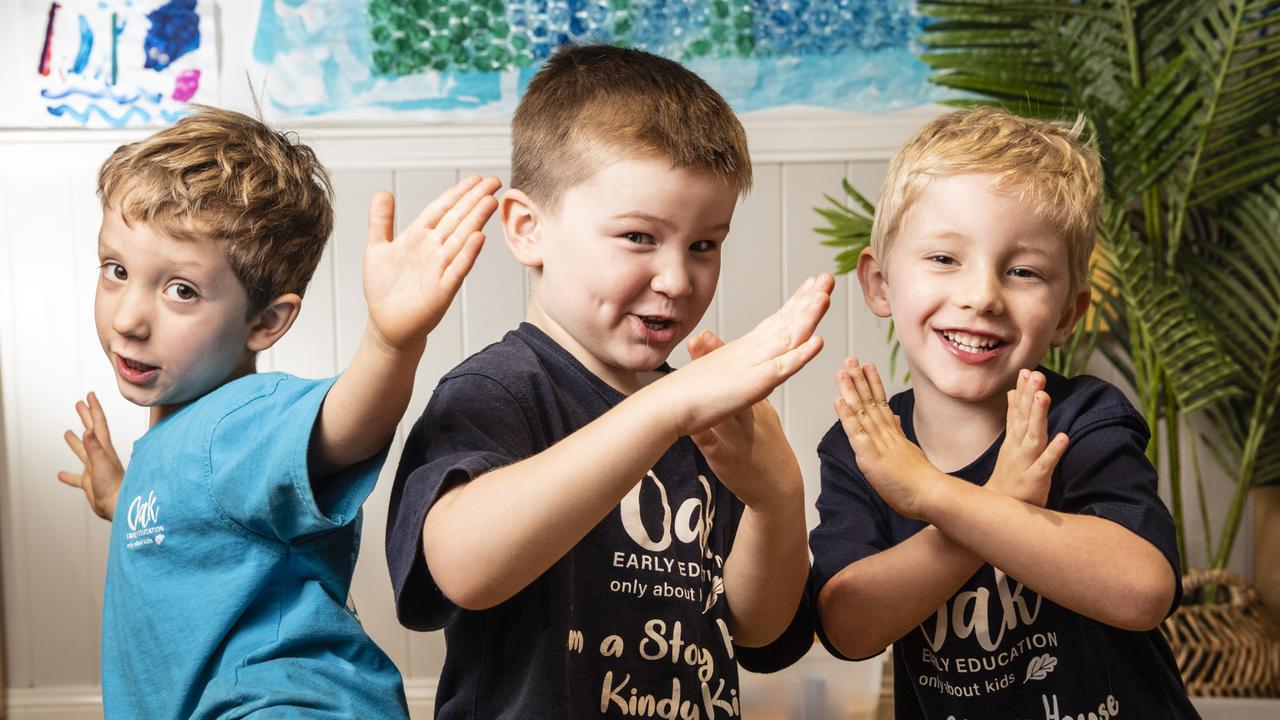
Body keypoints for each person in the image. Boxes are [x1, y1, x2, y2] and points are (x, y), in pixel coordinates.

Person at [386, 44, 830, 718]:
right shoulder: (499, 390)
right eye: (638, 237)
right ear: (528, 229)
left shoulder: (704, 415)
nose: (678, 280)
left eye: (704, 244)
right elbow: (463, 570)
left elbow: (758, 630)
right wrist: (664, 410)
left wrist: (776, 495)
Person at [57, 105, 501, 718]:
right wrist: (124, 495)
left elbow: (342, 427)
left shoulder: (246, 418)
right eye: (117, 271)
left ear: (266, 321)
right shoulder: (188, 439)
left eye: (180, 289)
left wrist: (390, 342)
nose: (128, 317)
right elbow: (196, 526)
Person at [810, 105, 1198, 718]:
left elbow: (1143, 590)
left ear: (1069, 314)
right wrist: (997, 501)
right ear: (880, 283)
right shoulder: (866, 446)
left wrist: (933, 495)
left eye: (1023, 271)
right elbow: (848, 628)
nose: (981, 295)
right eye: (944, 258)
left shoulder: (1081, 420)